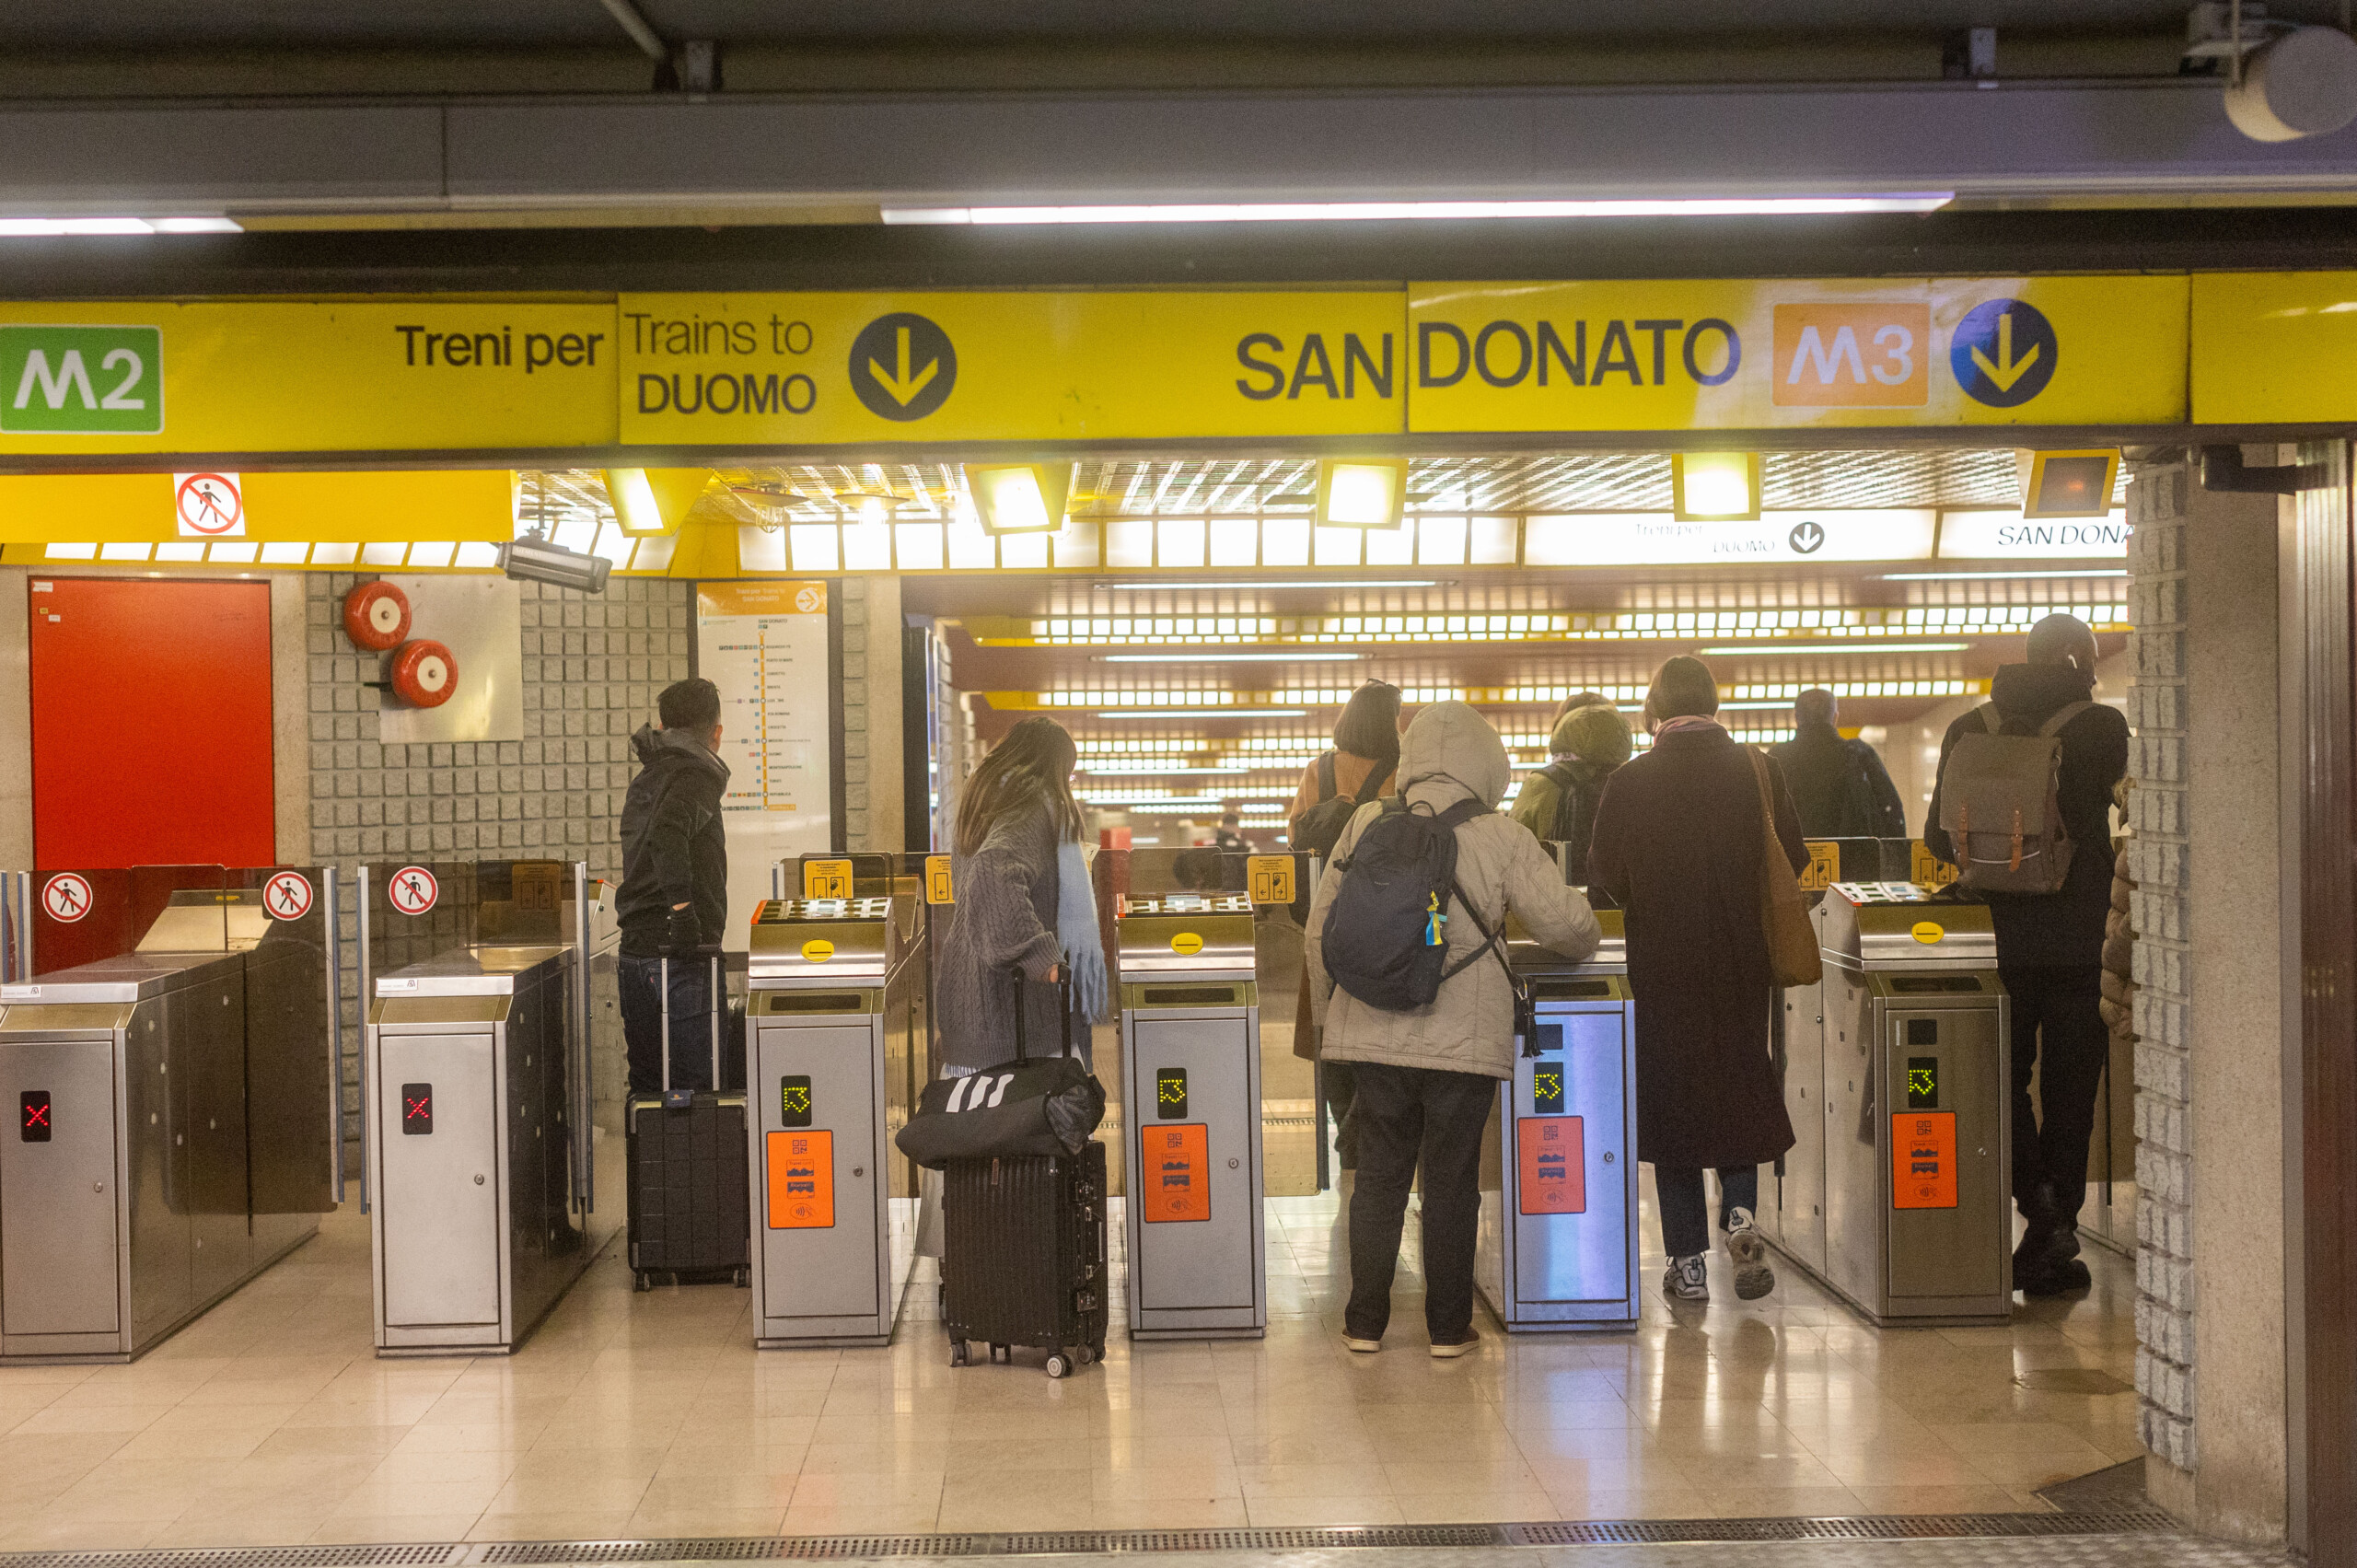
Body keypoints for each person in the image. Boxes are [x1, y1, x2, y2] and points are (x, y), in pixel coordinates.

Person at [1306, 701, 1600, 1356]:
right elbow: (1571, 928)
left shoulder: (1364, 823)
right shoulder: (1501, 835)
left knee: (1377, 1179)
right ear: (1487, 764)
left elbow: (1318, 932)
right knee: (1449, 1181)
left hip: (1373, 1033)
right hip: (1463, 1046)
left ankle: (1364, 1322)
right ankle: (1445, 1327)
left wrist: (1336, 1026)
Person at [1589, 656, 1805, 1305]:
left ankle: (1688, 1264)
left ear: (1655, 709)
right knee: (1738, 1086)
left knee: (1673, 1108)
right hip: (1742, 963)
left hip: (1662, 966)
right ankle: (1740, 1214)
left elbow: (1605, 874)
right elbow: (1790, 856)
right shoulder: (1758, 769)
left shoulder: (1630, 779)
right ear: (1713, 704)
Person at [1924, 612, 2128, 1295]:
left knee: (2003, 1081)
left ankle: (2036, 1207)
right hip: (2079, 942)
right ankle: (2056, 1221)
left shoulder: (1968, 727)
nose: (2097, 672)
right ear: (2073, 658)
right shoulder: (2101, 729)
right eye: (2092, 660)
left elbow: (1935, 839)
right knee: (2073, 1090)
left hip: (1996, 939)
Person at [935, 715, 1110, 1072]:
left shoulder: (985, 806)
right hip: (1019, 1024)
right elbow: (993, 872)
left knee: (980, 1121)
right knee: (1046, 1120)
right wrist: (1039, 955)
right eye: (1069, 774)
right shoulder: (1033, 806)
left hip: (974, 1007)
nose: (1069, 784)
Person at [1286, 679, 1405, 1175]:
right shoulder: (1400, 773)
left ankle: (1346, 1130)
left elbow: (1295, 835)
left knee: (1328, 1031)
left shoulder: (1319, 770)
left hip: (1326, 922)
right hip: (1383, 920)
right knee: (1378, 1030)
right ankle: (1364, 1129)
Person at [617, 677, 730, 1096]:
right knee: (697, 1089)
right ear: (715, 733)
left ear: (665, 726)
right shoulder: (696, 775)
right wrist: (683, 913)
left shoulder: (651, 775)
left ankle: (647, 1164)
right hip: (679, 955)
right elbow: (667, 833)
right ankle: (695, 1164)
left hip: (636, 952)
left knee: (647, 1088)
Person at [1508, 692, 1633, 871]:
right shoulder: (1633, 782)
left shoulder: (1542, 784)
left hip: (1552, 893)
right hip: (1618, 897)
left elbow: (1513, 852)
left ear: (1562, 731)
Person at [1770, 688, 1908, 839]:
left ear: (1796, 718)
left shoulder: (1776, 758)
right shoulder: (1859, 755)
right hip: (1850, 858)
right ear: (1835, 717)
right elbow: (1892, 813)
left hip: (1790, 858)